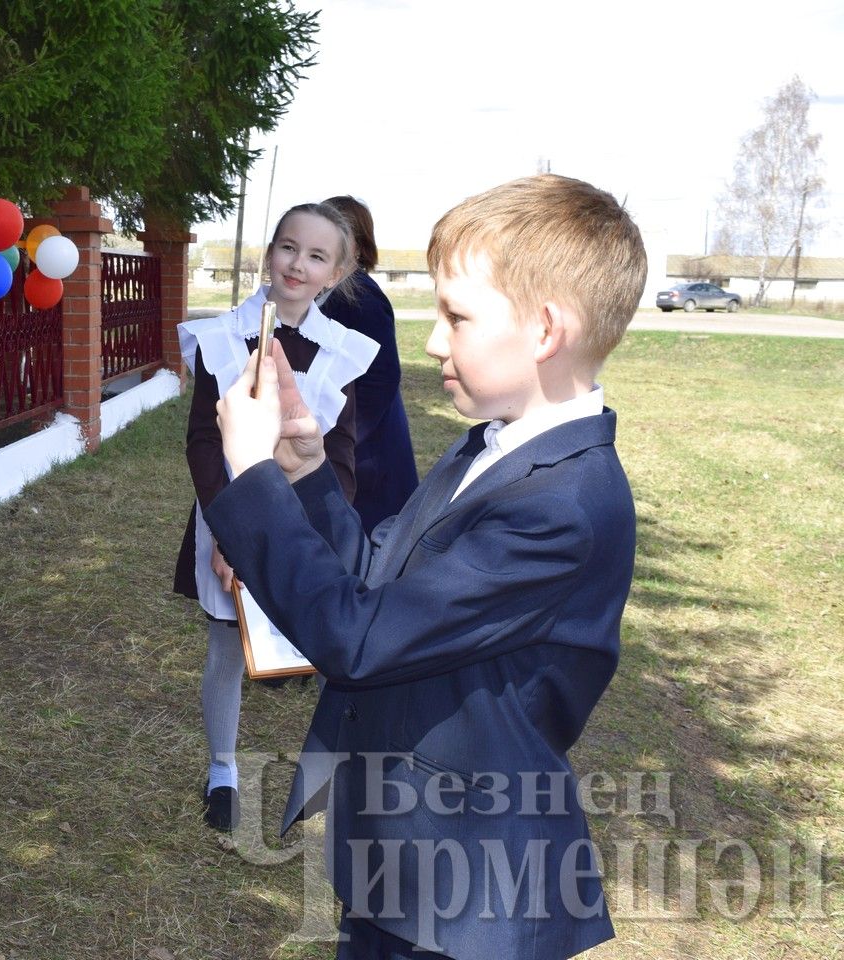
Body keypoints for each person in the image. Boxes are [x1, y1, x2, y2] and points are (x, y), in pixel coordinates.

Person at [205, 174, 647, 959]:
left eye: (457, 316)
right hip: (406, 861)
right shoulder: (495, 445)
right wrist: (305, 471)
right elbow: (380, 583)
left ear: (545, 330)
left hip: (466, 897)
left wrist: (251, 477)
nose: (436, 341)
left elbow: (360, 639)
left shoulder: (562, 507)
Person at [172, 203, 376, 832]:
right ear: (270, 252)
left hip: (303, 528)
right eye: (289, 247)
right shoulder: (222, 337)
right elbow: (205, 443)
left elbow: (339, 453)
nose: (298, 263)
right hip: (227, 520)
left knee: (320, 644)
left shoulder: (342, 353)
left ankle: (330, 773)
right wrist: (230, 532)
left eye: (317, 255)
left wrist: (313, 526)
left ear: (336, 272)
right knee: (224, 652)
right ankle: (223, 769)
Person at [319, 196, 418, 534]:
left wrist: (342, 439)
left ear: (357, 246)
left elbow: (382, 377)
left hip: (368, 453)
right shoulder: (332, 289)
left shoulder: (361, 296)